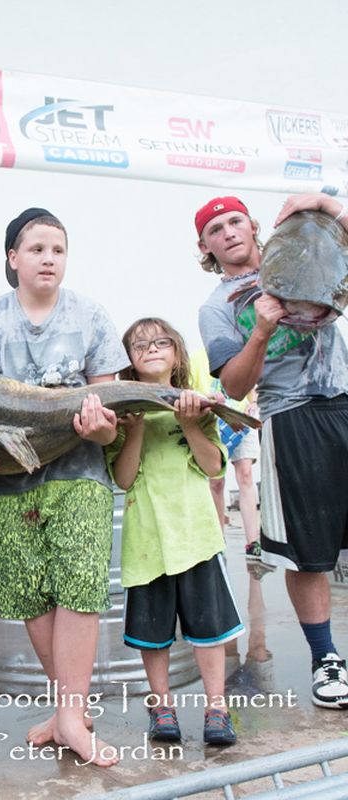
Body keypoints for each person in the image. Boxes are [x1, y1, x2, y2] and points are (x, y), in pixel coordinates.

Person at [0, 208, 128, 766]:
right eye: (36, 249)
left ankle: (71, 718)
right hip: (5, 482)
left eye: (57, 249)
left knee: (78, 586)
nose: (48, 258)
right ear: (12, 258)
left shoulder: (91, 316)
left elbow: (112, 408)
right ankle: (68, 711)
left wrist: (104, 428)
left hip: (78, 473)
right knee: (30, 594)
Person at [196, 193, 348, 709]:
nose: (229, 232)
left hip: (344, 399)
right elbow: (235, 386)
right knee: (308, 553)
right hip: (291, 417)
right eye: (217, 229)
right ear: (205, 246)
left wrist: (323, 202)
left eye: (236, 221)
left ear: (255, 225)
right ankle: (325, 659)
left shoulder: (306, 253)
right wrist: (261, 329)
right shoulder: (218, 308)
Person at [107, 317, 243, 746]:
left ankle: (216, 708)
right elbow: (124, 479)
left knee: (210, 630)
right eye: (139, 344)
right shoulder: (124, 414)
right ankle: (161, 706)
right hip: (147, 541)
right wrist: (135, 429)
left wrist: (188, 423)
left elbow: (213, 466)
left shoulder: (199, 407)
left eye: (160, 341)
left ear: (177, 353)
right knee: (153, 634)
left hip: (196, 536)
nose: (150, 348)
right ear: (127, 360)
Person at [189, 348, 263, 561]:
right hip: (214, 422)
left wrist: (254, 403)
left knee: (246, 475)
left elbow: (251, 385)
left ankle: (252, 541)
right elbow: (189, 388)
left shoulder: (238, 351)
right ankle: (218, 540)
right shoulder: (196, 358)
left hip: (241, 420)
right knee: (216, 483)